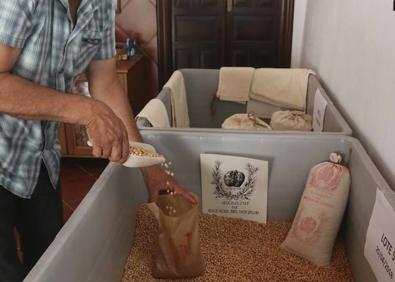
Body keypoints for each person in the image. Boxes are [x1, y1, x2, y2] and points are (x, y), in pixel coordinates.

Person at [0, 0, 196, 281]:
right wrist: (84, 109)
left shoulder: (100, 5)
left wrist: (152, 172)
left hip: (40, 159)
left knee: (51, 264)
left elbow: (105, 84)